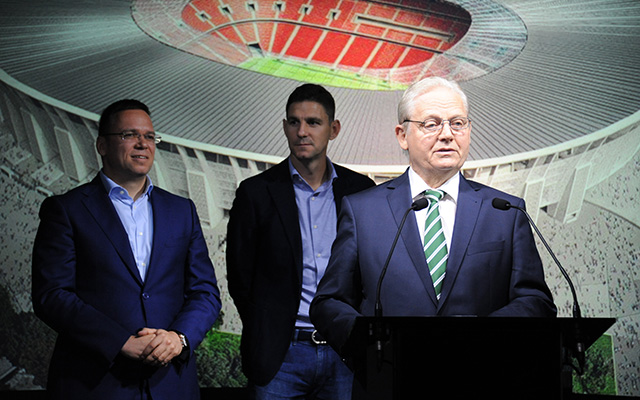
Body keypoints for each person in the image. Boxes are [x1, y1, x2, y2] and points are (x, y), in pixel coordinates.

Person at [310, 77, 557, 355]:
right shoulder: (363, 211)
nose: (447, 134)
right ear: (402, 136)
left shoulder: (506, 211)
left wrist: (486, 336)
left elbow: (535, 300)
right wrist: (370, 340)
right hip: (390, 375)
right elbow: (329, 301)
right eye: (431, 124)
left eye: (458, 123)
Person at [32, 99, 221, 400]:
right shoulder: (66, 210)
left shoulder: (181, 210)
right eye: (129, 135)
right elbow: (51, 295)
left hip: (170, 383)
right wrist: (119, 341)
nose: (142, 144)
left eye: (149, 136)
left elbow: (206, 292)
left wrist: (179, 338)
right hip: (96, 383)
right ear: (102, 146)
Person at [226, 83, 375, 399]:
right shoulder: (256, 192)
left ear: (333, 129)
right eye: (294, 122)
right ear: (284, 127)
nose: (302, 131)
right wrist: (265, 327)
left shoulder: (360, 189)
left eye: (313, 123)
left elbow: (371, 269)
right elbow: (239, 276)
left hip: (344, 352)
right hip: (281, 356)